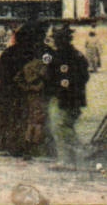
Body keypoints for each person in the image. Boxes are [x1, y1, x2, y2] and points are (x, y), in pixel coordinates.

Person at [0, 22, 49, 157]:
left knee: (9, 120)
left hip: (8, 92)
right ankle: (24, 147)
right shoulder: (39, 53)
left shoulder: (8, 52)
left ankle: (7, 145)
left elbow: (0, 74)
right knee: (22, 120)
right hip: (19, 92)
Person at [42, 24, 89, 169]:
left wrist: (60, 93)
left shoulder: (65, 56)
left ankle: (73, 158)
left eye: (55, 37)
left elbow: (65, 79)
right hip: (69, 96)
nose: (53, 41)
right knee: (60, 128)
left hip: (64, 97)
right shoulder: (73, 54)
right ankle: (68, 159)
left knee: (61, 127)